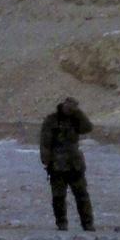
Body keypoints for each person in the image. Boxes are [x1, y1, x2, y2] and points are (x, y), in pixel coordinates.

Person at [39, 97, 95, 231]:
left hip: (74, 164)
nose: (70, 110)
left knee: (82, 195)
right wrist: (46, 161)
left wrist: (78, 113)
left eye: (73, 108)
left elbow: (88, 128)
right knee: (58, 196)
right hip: (57, 165)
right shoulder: (51, 120)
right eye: (68, 107)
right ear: (63, 106)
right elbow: (45, 142)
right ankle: (61, 223)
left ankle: (87, 224)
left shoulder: (76, 119)